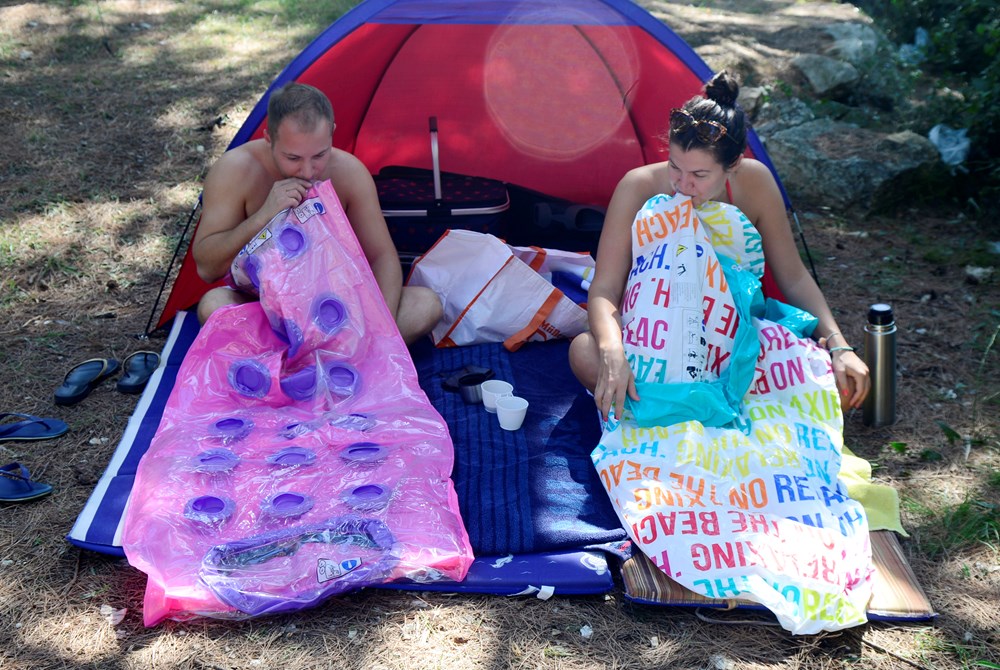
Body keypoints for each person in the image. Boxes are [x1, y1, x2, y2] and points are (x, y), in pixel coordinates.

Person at [569, 71, 870, 421]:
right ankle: (709, 412)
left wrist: (838, 345)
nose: (683, 185)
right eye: (675, 167)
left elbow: (793, 276)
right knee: (584, 352)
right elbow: (605, 288)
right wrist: (612, 351)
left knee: (840, 388)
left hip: (734, 344)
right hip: (652, 342)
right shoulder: (638, 187)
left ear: (733, 165)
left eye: (700, 175)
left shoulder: (755, 184)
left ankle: (675, 410)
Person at [192, 82, 442, 345]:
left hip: (338, 309)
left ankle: (333, 353)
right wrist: (264, 215)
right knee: (213, 305)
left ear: (332, 133)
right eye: (293, 158)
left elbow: (382, 257)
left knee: (425, 305)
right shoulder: (236, 169)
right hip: (265, 309)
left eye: (320, 155)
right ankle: (318, 356)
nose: (308, 171)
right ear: (269, 139)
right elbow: (207, 268)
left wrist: (380, 327)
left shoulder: (349, 172)